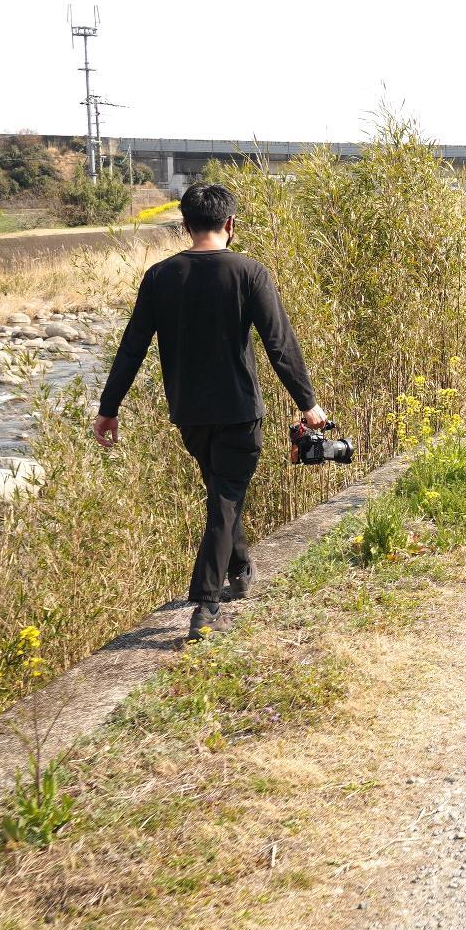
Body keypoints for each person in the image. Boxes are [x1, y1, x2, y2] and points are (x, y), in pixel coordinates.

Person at [94, 182, 328, 642]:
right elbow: (279, 345)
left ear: (185, 225)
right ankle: (205, 605)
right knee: (224, 501)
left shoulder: (161, 276)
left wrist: (109, 409)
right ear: (230, 224)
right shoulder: (249, 272)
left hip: (190, 414)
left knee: (224, 495)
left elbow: (132, 348)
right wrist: (308, 403)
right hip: (239, 411)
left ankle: (239, 567)